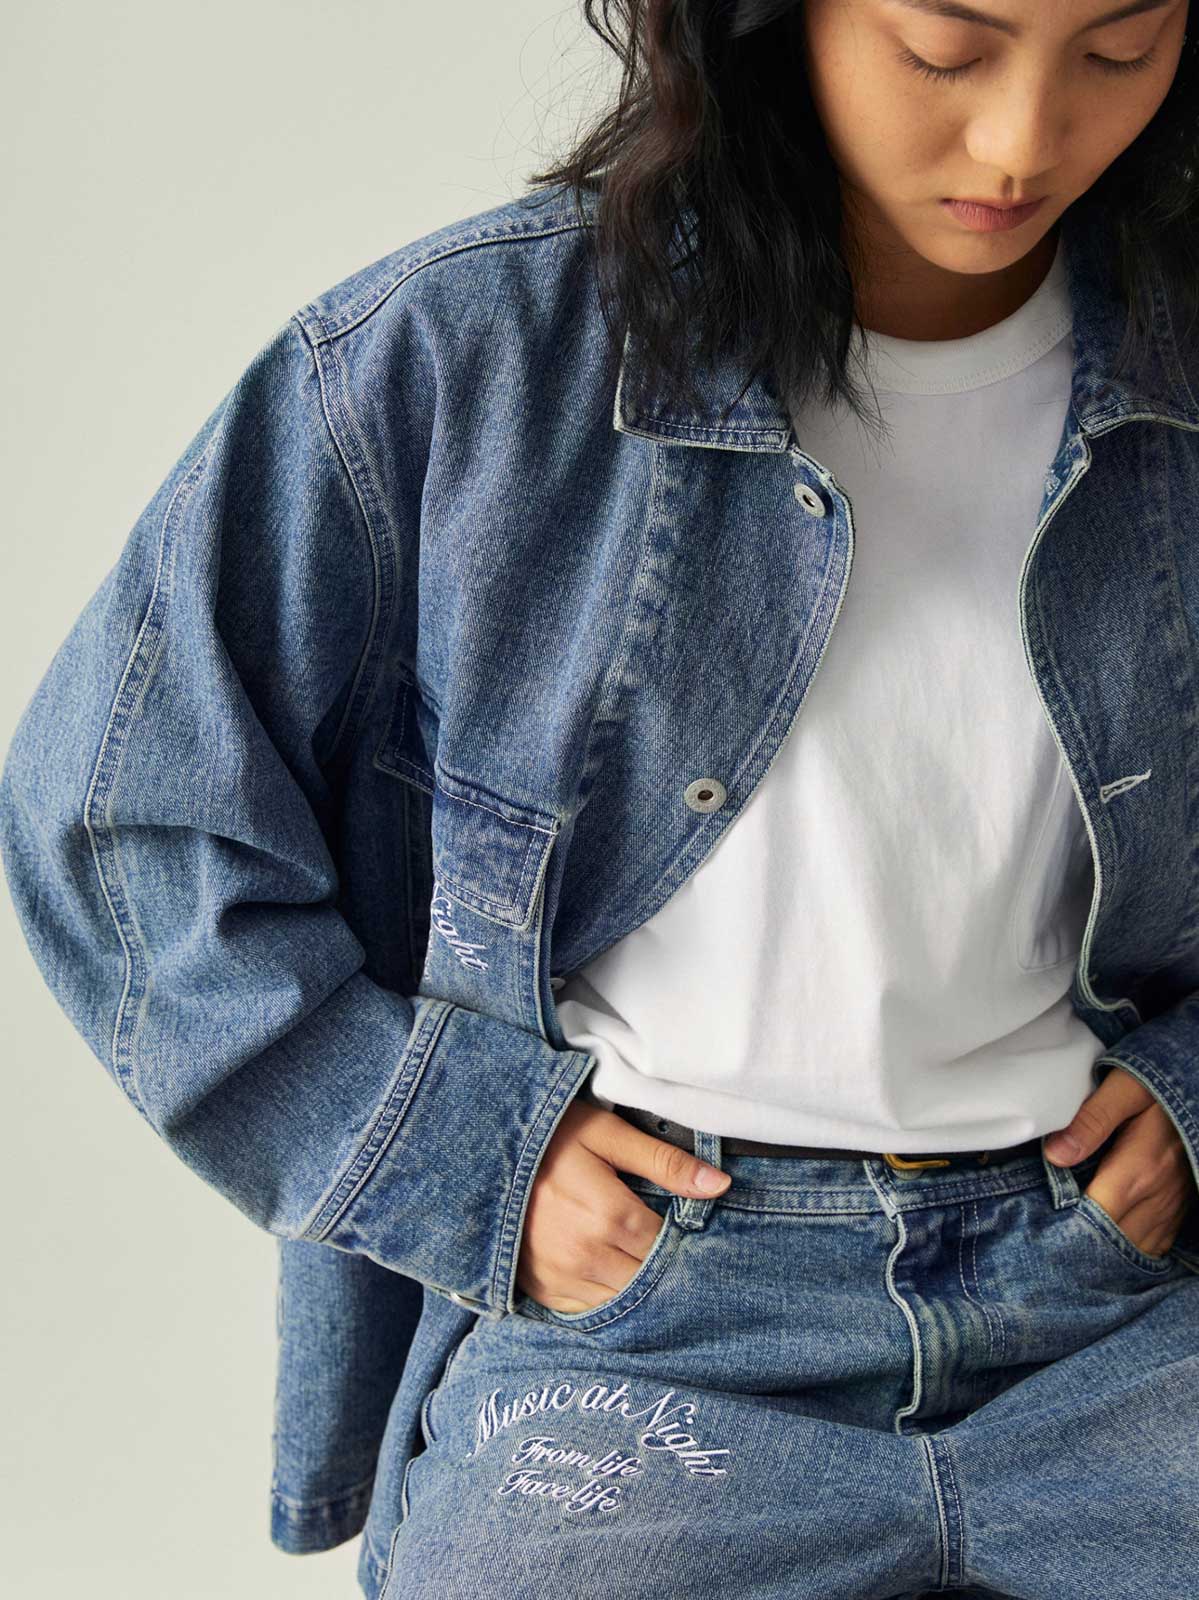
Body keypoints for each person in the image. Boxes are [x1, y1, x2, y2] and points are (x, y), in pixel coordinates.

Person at [2, 1, 1199, 1596]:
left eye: (1122, 49)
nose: (1024, 138)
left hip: (1115, 1306)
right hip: (651, 1318)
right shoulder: (468, 357)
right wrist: (465, 1158)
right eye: (944, 47)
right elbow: (119, 817)